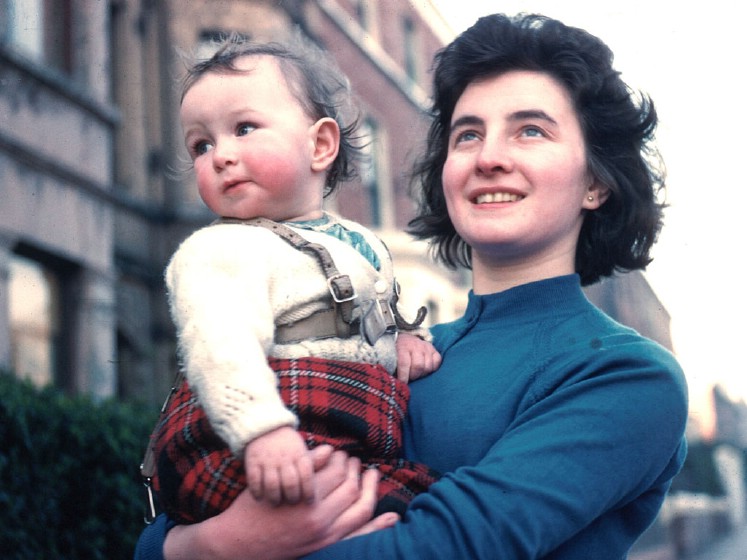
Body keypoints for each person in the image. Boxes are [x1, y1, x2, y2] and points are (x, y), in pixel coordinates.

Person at [135, 13, 689, 560]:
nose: (489, 157)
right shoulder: (395, 352)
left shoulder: (628, 376)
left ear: (594, 181)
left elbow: (444, 546)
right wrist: (208, 544)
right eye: (467, 134)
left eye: (531, 130)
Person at [149, 34, 442, 527]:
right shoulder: (220, 250)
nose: (219, 155)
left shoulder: (358, 241)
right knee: (401, 510)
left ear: (321, 145)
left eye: (244, 128)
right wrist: (260, 430)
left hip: (344, 432)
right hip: (250, 442)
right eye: (201, 144)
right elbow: (220, 349)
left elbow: (372, 319)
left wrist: (404, 340)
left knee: (420, 503)